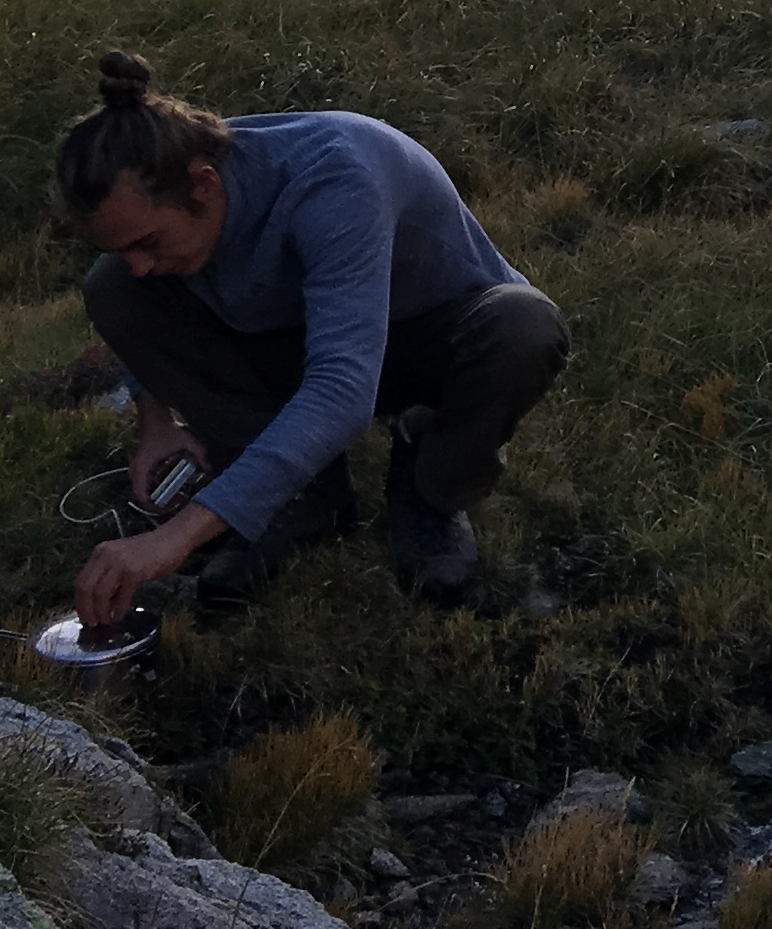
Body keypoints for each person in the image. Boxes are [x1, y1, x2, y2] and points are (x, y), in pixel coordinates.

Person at [56, 51, 568, 626]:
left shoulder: (333, 178)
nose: (142, 263)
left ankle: (431, 485)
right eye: (122, 245)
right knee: (113, 288)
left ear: (203, 185)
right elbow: (132, 284)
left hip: (425, 338)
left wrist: (174, 537)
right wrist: (156, 424)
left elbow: (342, 389)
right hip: (301, 332)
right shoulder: (178, 194)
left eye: (148, 241)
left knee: (524, 326)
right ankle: (304, 500)